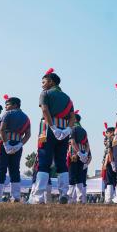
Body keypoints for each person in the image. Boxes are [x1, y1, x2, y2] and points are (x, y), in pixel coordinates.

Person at [33, 68, 75, 204]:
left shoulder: (45, 93)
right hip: (64, 131)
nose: (42, 84)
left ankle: (38, 197)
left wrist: (53, 127)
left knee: (44, 162)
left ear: (51, 82)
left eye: (43, 81)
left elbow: (45, 110)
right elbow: (72, 116)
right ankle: (64, 194)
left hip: (48, 130)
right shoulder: (67, 97)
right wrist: (67, 129)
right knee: (62, 163)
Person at [0, 95, 31, 204]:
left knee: (0, 169)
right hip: (18, 144)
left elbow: (2, 129)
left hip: (4, 143)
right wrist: (19, 145)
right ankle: (15, 197)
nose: (6, 107)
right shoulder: (26, 117)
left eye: (7, 104)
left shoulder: (7, 114)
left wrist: (6, 144)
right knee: (15, 170)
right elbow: (28, 135)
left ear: (15, 105)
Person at [67, 110, 91, 204]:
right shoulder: (83, 130)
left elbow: (72, 142)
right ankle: (80, 198)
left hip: (74, 155)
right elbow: (87, 145)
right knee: (80, 177)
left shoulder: (73, 129)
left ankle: (69, 198)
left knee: (72, 176)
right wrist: (84, 154)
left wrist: (78, 153)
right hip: (83, 156)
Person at [102, 125, 117, 204]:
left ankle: (108, 199)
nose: (106, 134)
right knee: (114, 181)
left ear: (110, 133)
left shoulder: (110, 139)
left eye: (107, 133)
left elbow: (109, 151)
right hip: (116, 161)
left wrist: (110, 162)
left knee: (109, 181)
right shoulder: (116, 138)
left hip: (110, 162)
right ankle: (113, 197)